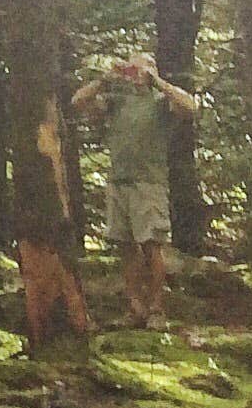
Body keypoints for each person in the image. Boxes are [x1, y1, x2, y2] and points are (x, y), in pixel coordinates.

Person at [71, 53, 200, 325]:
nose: (137, 72)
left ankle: (156, 308)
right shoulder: (117, 102)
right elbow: (78, 102)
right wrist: (105, 80)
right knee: (126, 247)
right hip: (119, 182)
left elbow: (190, 107)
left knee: (152, 245)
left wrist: (157, 82)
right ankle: (135, 307)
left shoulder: (162, 103)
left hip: (149, 183)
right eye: (133, 67)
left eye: (143, 66)